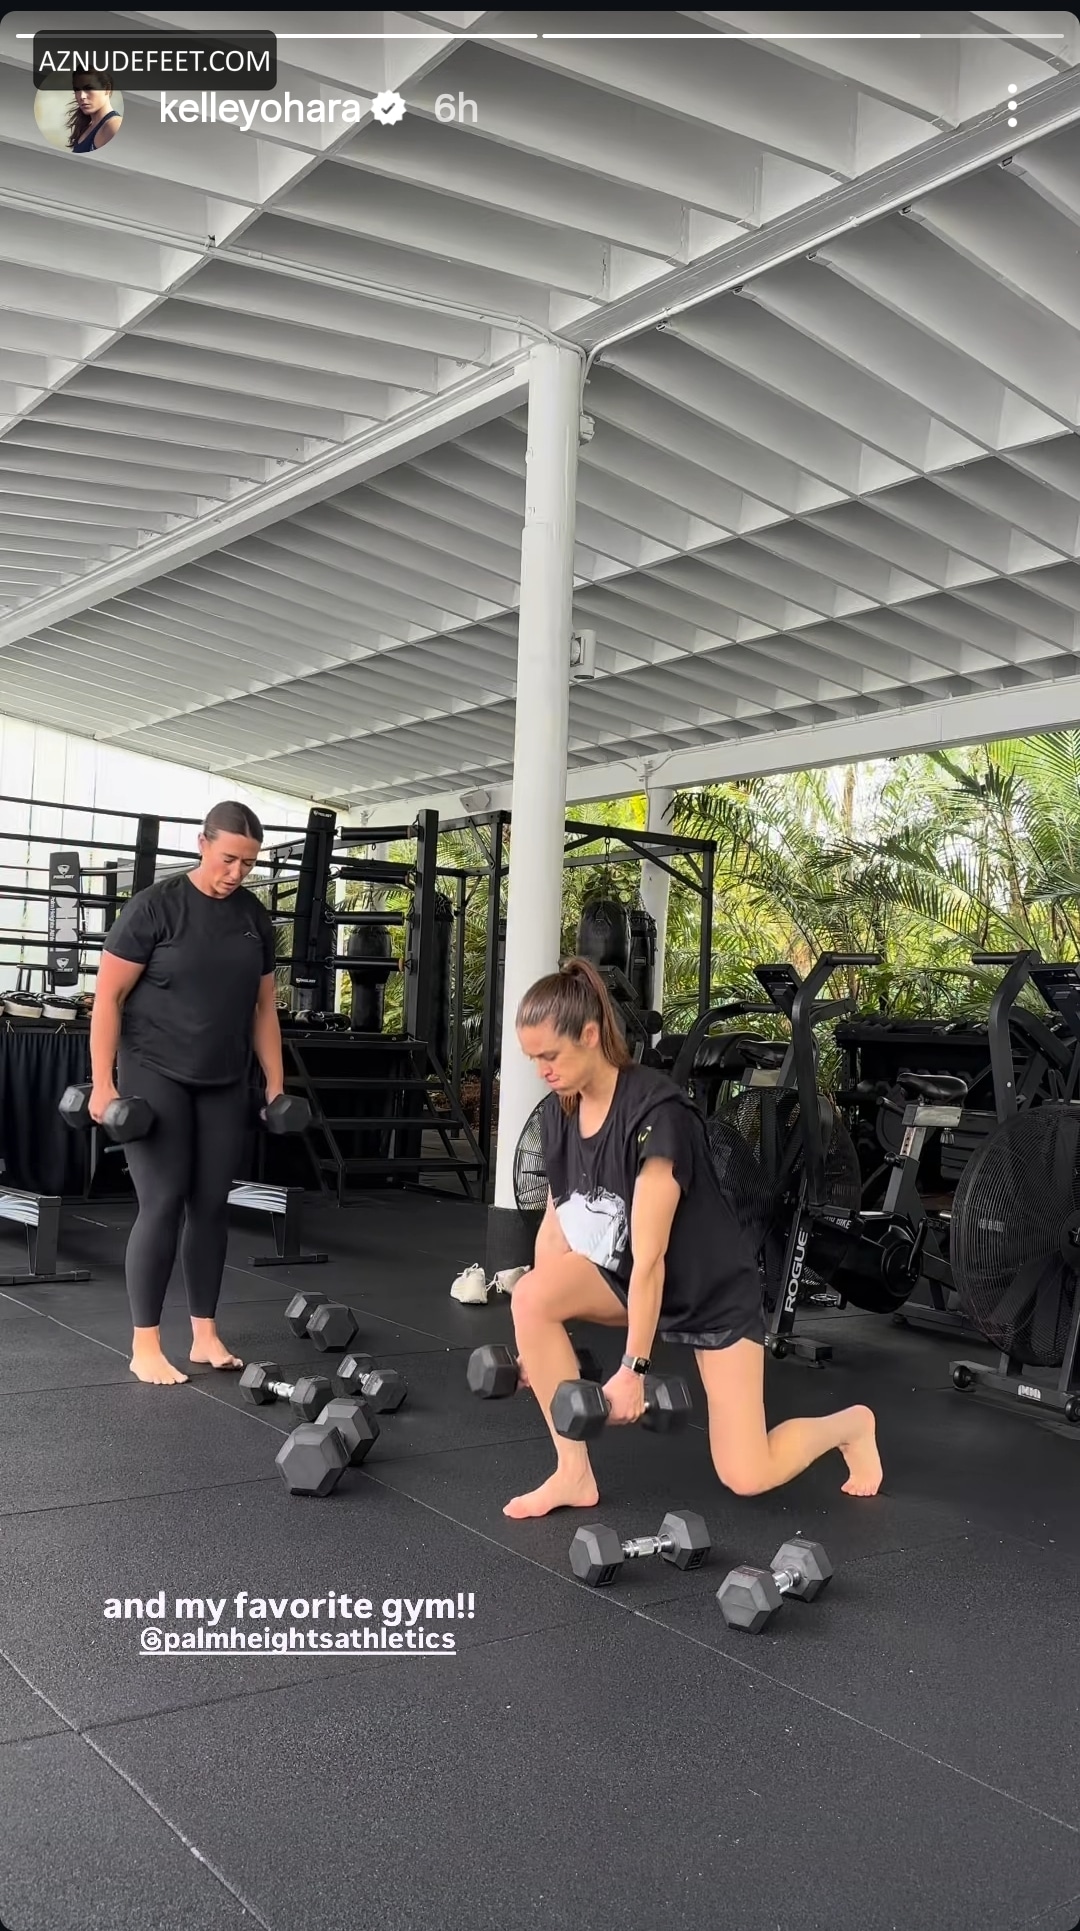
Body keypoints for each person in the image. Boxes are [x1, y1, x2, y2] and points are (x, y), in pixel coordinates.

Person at [503, 957, 882, 1520]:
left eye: (550, 1056)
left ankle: (850, 1427)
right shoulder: (561, 1112)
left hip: (707, 1293)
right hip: (624, 1278)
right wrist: (533, 1345)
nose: (541, 1071)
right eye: (532, 1058)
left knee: (747, 1474)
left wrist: (633, 1369)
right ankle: (572, 1474)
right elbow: (557, 1223)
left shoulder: (658, 1114)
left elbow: (653, 1257)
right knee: (531, 1296)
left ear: (590, 1035)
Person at [89, 802, 283, 1385]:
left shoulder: (253, 918)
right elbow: (107, 998)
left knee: (212, 1205)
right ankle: (145, 1345)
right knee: (163, 1202)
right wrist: (103, 1083)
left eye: (248, 863)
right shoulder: (156, 907)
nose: (236, 873)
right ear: (202, 843)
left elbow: (264, 1008)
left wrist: (276, 1083)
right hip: (155, 1074)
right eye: (228, 859)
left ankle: (204, 1334)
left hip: (224, 1078)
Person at [67, 76, 122, 152]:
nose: (82, 96)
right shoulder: (87, 125)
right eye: (77, 90)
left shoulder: (113, 125)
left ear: (107, 88)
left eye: (89, 88)